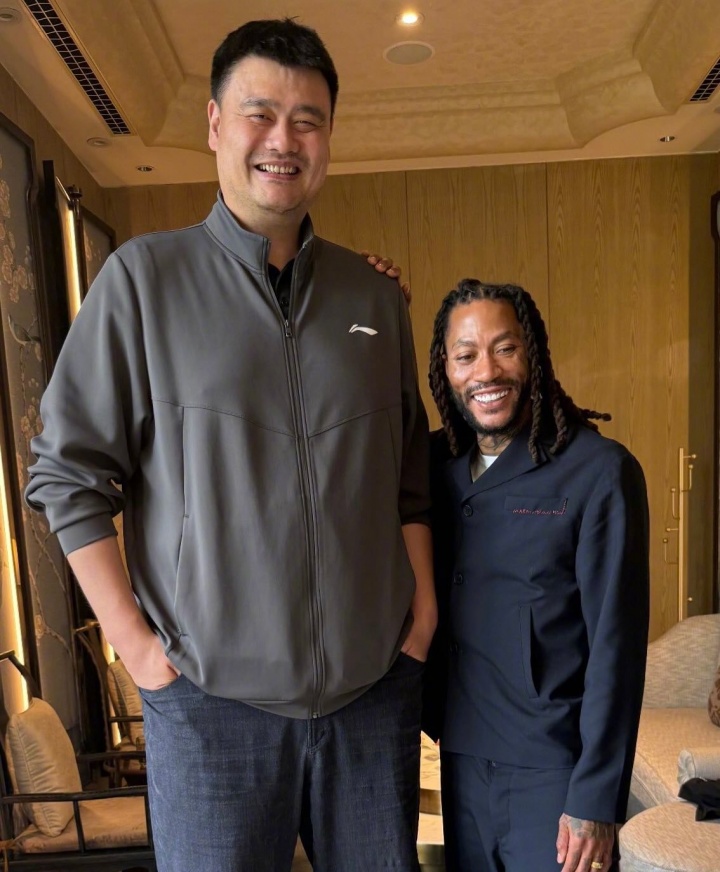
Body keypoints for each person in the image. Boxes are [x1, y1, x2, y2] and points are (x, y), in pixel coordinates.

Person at [26, 18, 435, 872]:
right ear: (215, 124)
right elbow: (66, 477)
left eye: (308, 120)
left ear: (329, 137)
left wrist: (421, 617)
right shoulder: (143, 281)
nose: (284, 140)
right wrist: (139, 651)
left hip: (370, 701)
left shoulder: (372, 297)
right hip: (209, 712)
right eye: (260, 114)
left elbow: (408, 477)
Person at [423, 279, 649, 872]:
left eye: (506, 348)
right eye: (466, 355)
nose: (486, 372)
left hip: (553, 769)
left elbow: (617, 647)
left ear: (534, 354)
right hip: (460, 759)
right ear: (445, 369)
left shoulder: (598, 471)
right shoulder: (432, 465)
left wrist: (595, 798)